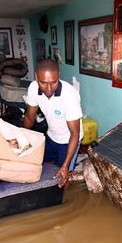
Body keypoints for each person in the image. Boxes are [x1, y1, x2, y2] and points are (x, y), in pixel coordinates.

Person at [23, 59, 83, 188]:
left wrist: (65, 165)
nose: (49, 88)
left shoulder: (69, 95)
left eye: (53, 82)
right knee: (38, 164)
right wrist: (23, 139)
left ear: (59, 77)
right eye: (43, 83)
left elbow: (75, 134)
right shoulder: (33, 88)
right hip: (51, 136)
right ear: (36, 77)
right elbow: (29, 117)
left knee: (62, 177)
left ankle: (66, 201)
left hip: (69, 140)